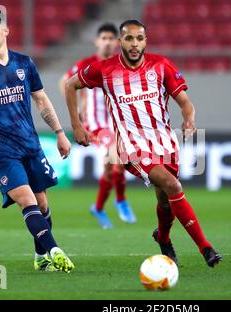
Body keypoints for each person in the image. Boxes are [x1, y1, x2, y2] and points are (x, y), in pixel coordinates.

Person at [65, 19, 222, 267]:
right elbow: (70, 84)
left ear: (145, 41)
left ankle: (163, 238)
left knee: (165, 201)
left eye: (139, 38)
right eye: (129, 38)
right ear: (121, 41)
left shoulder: (161, 65)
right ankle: (206, 249)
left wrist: (189, 119)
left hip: (165, 143)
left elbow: (184, 102)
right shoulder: (105, 69)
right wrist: (77, 125)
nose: (135, 43)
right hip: (131, 146)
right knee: (173, 184)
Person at [0, 9, 74, 273]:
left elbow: (42, 100)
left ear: (6, 31)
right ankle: (55, 249)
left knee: (42, 203)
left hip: (30, 144)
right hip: (0, 150)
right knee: (27, 200)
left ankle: (40, 256)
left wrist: (59, 132)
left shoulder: (24, 63)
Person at [59, 23, 136, 229]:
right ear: (97, 41)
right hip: (95, 125)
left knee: (111, 170)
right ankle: (120, 200)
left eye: (112, 39)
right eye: (104, 38)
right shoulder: (86, 64)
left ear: (118, 42)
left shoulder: (123, 64)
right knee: (117, 160)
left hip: (117, 125)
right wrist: (76, 112)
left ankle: (99, 207)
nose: (108, 42)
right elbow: (65, 82)